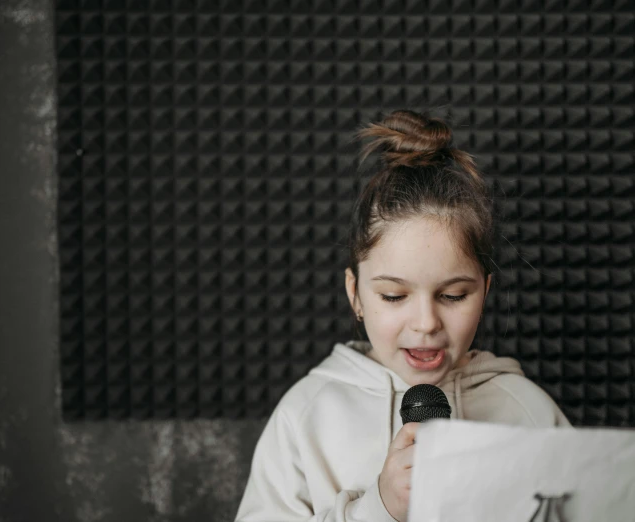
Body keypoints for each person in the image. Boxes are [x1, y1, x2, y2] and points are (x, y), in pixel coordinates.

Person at [233, 109, 573, 522]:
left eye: (452, 295)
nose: (426, 322)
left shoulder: (530, 412)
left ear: (484, 292)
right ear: (355, 293)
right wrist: (379, 507)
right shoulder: (306, 418)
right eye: (394, 296)